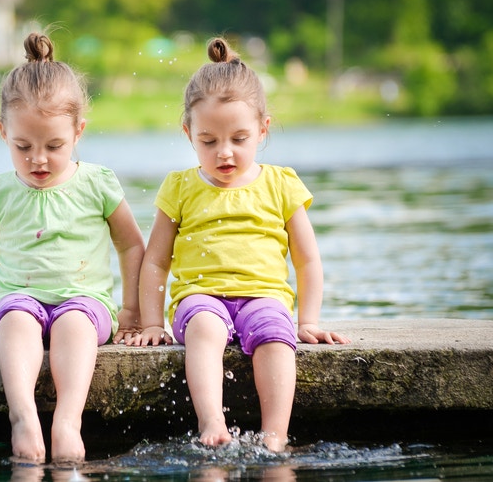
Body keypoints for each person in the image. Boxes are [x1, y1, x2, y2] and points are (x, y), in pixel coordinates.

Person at [128, 37, 351, 452]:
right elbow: (155, 262)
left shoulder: (281, 184)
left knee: (274, 335)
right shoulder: (179, 187)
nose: (224, 152)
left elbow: (307, 260)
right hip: (201, 297)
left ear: (263, 129)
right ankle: (212, 421)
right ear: (188, 132)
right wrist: (152, 322)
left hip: (263, 296)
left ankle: (275, 434)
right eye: (209, 141)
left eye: (239, 139)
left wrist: (308, 320)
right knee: (205, 330)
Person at [0, 32, 144, 463]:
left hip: (85, 302)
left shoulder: (97, 183)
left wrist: (132, 312)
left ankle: (68, 420)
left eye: (54, 146)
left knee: (73, 325)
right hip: (21, 299)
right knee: (14, 322)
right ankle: (23, 417)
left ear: (78, 132)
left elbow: (131, 245)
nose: (39, 160)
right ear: (2, 132)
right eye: (23, 146)